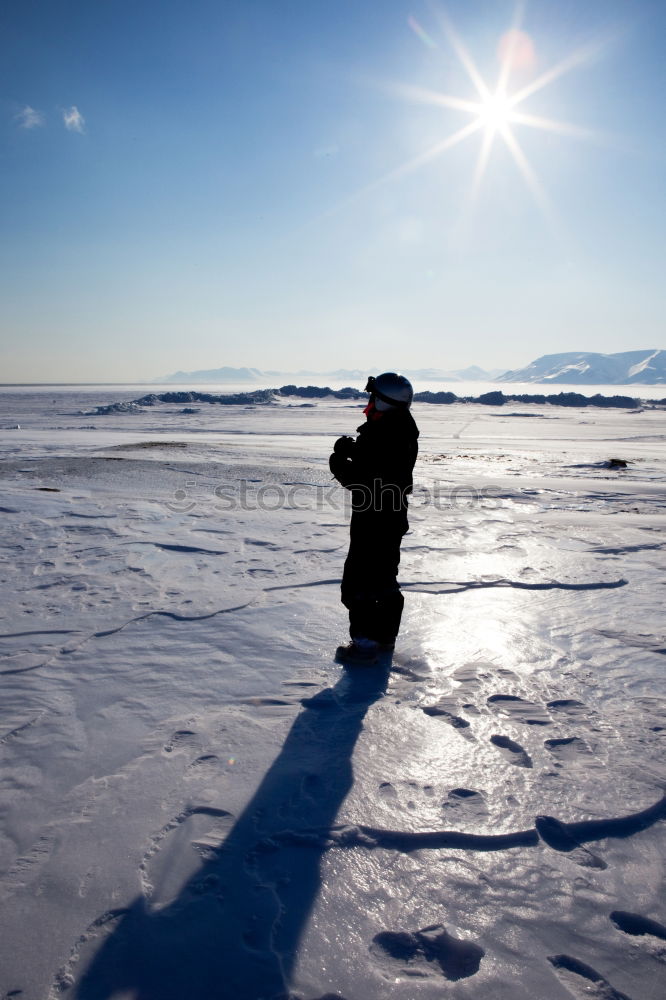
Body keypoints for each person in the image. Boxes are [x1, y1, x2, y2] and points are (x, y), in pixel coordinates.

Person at [328, 372, 419, 665]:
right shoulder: (397, 427)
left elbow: (366, 479)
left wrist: (339, 463)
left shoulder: (386, 432)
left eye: (372, 397)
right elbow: (380, 462)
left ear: (384, 401)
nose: (368, 402)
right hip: (390, 516)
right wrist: (355, 449)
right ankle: (384, 639)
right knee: (383, 579)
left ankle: (366, 645)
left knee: (359, 582)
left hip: (374, 517)